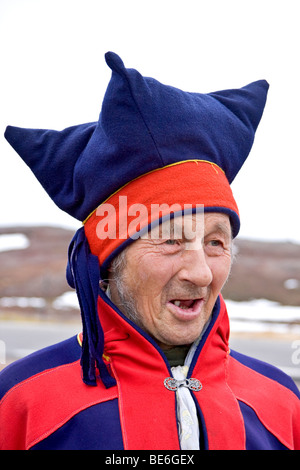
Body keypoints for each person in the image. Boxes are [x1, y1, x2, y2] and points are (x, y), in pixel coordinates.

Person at [0, 52, 299, 450]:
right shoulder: (21, 403)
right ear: (108, 262)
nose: (202, 273)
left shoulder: (281, 402)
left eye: (215, 242)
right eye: (171, 240)